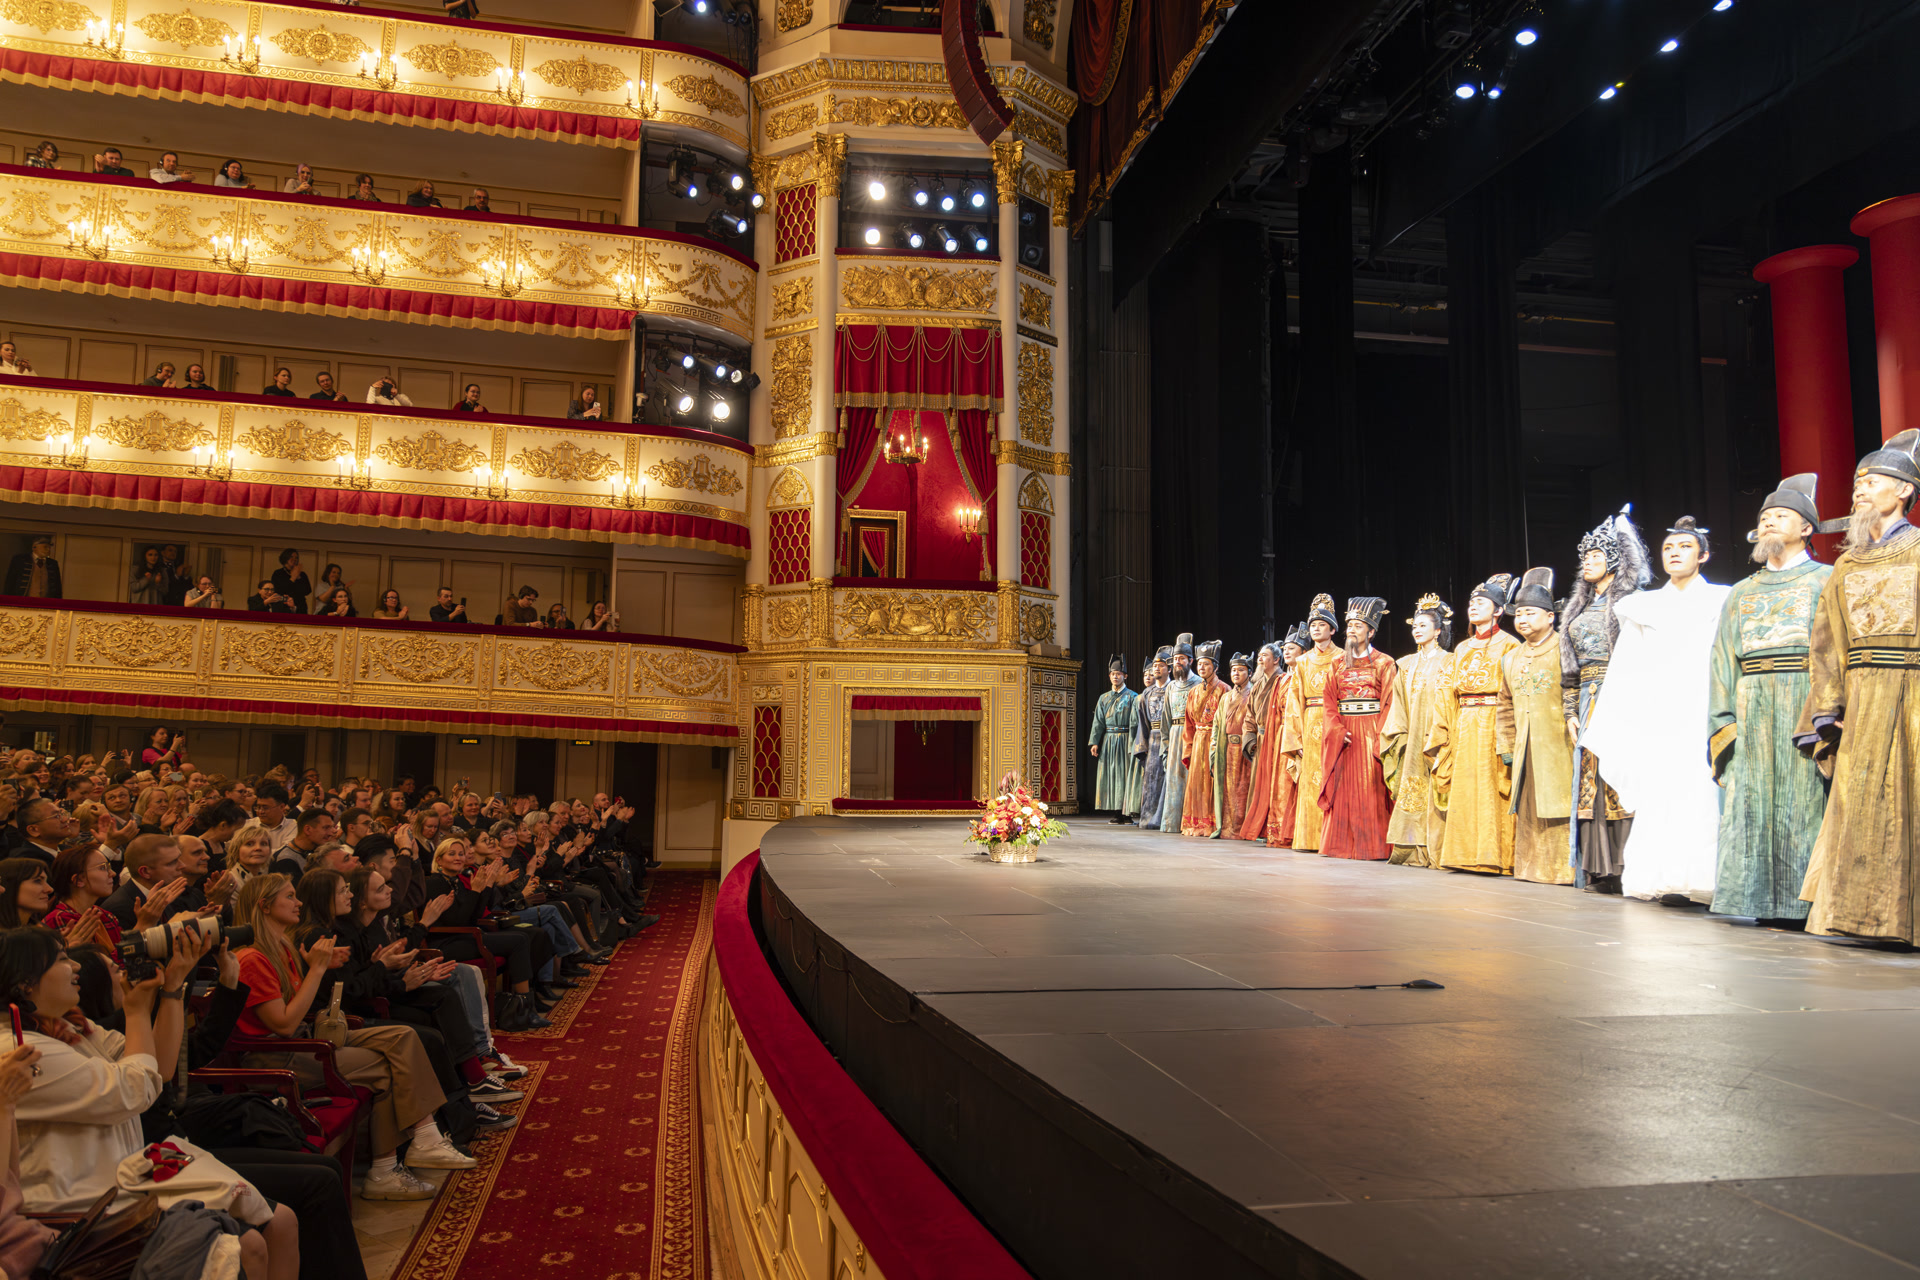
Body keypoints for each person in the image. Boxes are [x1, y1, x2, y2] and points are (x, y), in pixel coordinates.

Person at [231, 875, 471, 1200]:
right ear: (265, 906)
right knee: (385, 1067)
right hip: (275, 1055)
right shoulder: (252, 958)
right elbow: (284, 1025)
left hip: (303, 1038)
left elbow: (300, 1005)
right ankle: (385, 1170)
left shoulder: (281, 945)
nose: (298, 902)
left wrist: (317, 967)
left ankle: (424, 1139)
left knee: (403, 1036)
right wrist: (317, 970)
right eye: (289, 897)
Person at [1797, 429, 1920, 943]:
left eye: (1873, 482)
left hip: (1913, 692)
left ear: (1905, 490)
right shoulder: (1846, 563)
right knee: (1859, 804)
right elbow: (1826, 641)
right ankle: (1857, 915)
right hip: (1864, 696)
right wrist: (1829, 706)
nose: (1859, 491)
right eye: (1856, 484)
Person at [1581, 516, 1731, 904]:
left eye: (1684, 547)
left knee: (1699, 791)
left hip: (1701, 704)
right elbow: (1627, 665)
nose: (1675, 553)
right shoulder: (1643, 606)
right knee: (1659, 791)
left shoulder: (1721, 599)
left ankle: (1701, 880)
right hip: (1659, 709)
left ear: (1703, 555)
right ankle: (1662, 879)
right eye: (1668, 548)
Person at [1707, 475, 1832, 923]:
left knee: (1806, 805)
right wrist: (1723, 721)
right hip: (1752, 705)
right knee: (1752, 805)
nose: (1769, 523)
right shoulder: (1742, 592)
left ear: (1806, 528)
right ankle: (1755, 900)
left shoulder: (1826, 580)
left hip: (1805, 701)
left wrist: (1829, 710)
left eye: (1781, 516)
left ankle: (1806, 905)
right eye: (1764, 518)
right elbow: (1722, 660)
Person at [1561, 504, 1650, 893]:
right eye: (1585, 556)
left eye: (1596, 555)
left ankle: (1625, 865)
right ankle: (1599, 868)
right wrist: (1570, 710)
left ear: (1614, 560)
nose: (1588, 561)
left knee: (1619, 774)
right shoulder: (1578, 608)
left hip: (1621, 693)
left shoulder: (1630, 602)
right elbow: (1569, 671)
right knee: (1590, 779)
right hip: (1587, 697)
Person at [1425, 577, 1521, 874]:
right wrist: (1444, 732)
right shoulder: (1462, 648)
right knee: (1465, 789)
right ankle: (1462, 854)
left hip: (1494, 721)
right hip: (1465, 723)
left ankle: (1498, 857)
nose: (1473, 606)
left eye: (1481, 602)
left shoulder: (1510, 644)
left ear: (1498, 610)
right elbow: (1447, 694)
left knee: (1494, 789)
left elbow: (1513, 692)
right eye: (1471, 602)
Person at [1498, 569, 1578, 885]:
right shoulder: (1511, 657)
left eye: (1530, 613)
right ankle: (1531, 869)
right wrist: (1507, 745)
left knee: (1559, 803)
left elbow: (1575, 690)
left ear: (1550, 617)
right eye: (1519, 614)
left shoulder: (1564, 648)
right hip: (1526, 746)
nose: (1522, 619)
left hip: (1560, 744)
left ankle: (1565, 870)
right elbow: (1504, 706)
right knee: (1529, 806)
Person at [1316, 598, 1396, 860]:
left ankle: (1373, 847)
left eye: (1358, 626)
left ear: (1371, 632)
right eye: (1349, 625)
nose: (1351, 630)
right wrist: (1337, 729)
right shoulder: (1337, 663)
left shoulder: (1384, 663)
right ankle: (1340, 846)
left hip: (1372, 731)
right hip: (1344, 733)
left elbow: (1389, 702)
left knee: (1371, 790)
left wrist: (1379, 736)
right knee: (1343, 790)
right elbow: (1329, 701)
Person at [1381, 595, 1452, 867]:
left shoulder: (1449, 661)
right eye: (1415, 626)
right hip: (1412, 740)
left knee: (1437, 791)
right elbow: (1398, 704)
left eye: (1424, 625)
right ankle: (1412, 849)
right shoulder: (1406, 664)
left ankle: (1439, 849)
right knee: (1412, 791)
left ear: (1438, 630)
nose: (1417, 630)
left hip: (1438, 736)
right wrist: (1399, 736)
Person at [1282, 596, 1343, 851]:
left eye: (1322, 624)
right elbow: (1294, 702)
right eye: (1313, 625)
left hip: (1333, 721)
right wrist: (1295, 738)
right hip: (1309, 723)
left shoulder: (1342, 657)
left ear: (1333, 629)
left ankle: (1333, 839)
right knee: (1310, 781)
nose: (1316, 628)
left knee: (1334, 778)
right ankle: (1309, 839)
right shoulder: (1303, 661)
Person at [1178, 642, 1230, 838]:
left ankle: (1212, 823)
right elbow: (1189, 724)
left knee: (1212, 783)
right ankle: (1196, 823)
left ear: (1215, 667)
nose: (1202, 667)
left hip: (1215, 740)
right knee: (1197, 784)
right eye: (1199, 664)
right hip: (1198, 741)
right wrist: (1188, 748)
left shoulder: (1224, 690)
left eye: (1206, 664)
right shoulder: (1193, 692)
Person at [1157, 635, 1200, 835]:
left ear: (1190, 661)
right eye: (1175, 659)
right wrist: (1165, 747)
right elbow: (1165, 719)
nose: (1178, 662)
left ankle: (1191, 824)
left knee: (1192, 780)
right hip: (1175, 736)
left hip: (1193, 736)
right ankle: (1172, 824)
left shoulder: (1199, 683)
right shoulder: (1171, 687)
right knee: (1174, 781)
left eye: (1182, 658)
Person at [1213, 651, 1258, 838]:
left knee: (1246, 789)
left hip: (1247, 749)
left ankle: (1246, 828)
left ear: (1249, 672)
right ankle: (1229, 828)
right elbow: (1217, 725)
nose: (1236, 673)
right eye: (1233, 670)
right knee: (1230, 790)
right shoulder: (1226, 698)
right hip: (1228, 749)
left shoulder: (1255, 693)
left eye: (1241, 670)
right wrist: (1214, 749)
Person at [1088, 656, 1137, 822]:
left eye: (1118, 674)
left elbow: (1135, 722)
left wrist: (1134, 742)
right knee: (1111, 775)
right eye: (1113, 674)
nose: (1115, 677)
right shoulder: (1104, 698)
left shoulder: (1133, 697)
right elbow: (1098, 722)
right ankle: (1116, 811)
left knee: (1125, 775)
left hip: (1126, 739)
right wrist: (1095, 742)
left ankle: (1127, 812)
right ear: (1109, 676)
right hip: (1109, 740)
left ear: (1125, 676)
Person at [1133, 648, 1170, 830]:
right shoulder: (1147, 693)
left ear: (1169, 669)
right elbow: (1142, 722)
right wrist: (1142, 745)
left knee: (1167, 780)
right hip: (1153, 739)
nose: (1156, 668)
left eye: (1161, 665)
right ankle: (1148, 818)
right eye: (1155, 665)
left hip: (1169, 738)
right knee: (1151, 780)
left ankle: (1165, 819)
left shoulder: (1173, 689)